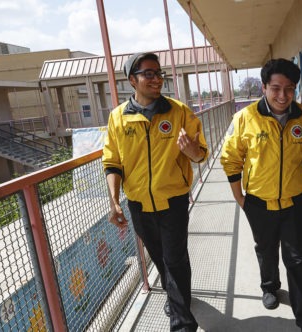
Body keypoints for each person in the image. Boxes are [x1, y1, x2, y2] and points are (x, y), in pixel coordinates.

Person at [220, 58, 302, 332]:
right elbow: (230, 159)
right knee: (266, 251)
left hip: (295, 203)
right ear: (264, 87)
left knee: (298, 260)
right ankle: (269, 287)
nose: (283, 95)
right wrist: (240, 198)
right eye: (276, 88)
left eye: (289, 89)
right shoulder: (245, 119)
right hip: (258, 203)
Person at [102, 52, 208, 332]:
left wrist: (191, 151)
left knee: (174, 259)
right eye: (148, 73)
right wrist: (114, 201)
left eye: (159, 73)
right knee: (161, 258)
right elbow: (112, 162)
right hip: (138, 205)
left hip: (173, 201)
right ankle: (179, 298)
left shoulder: (179, 112)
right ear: (132, 80)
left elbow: (201, 155)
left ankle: (182, 322)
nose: (156, 79)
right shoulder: (118, 119)